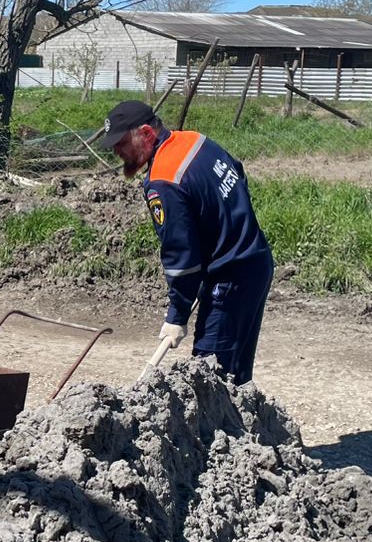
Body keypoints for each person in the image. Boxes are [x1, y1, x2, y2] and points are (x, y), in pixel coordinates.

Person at [101, 99, 274, 384]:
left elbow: (181, 256)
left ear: (146, 133)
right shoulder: (195, 141)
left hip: (229, 280)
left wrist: (177, 315)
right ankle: (243, 427)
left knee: (210, 378)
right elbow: (237, 175)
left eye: (121, 143)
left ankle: (219, 429)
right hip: (256, 261)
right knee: (236, 375)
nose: (117, 152)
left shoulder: (163, 181)